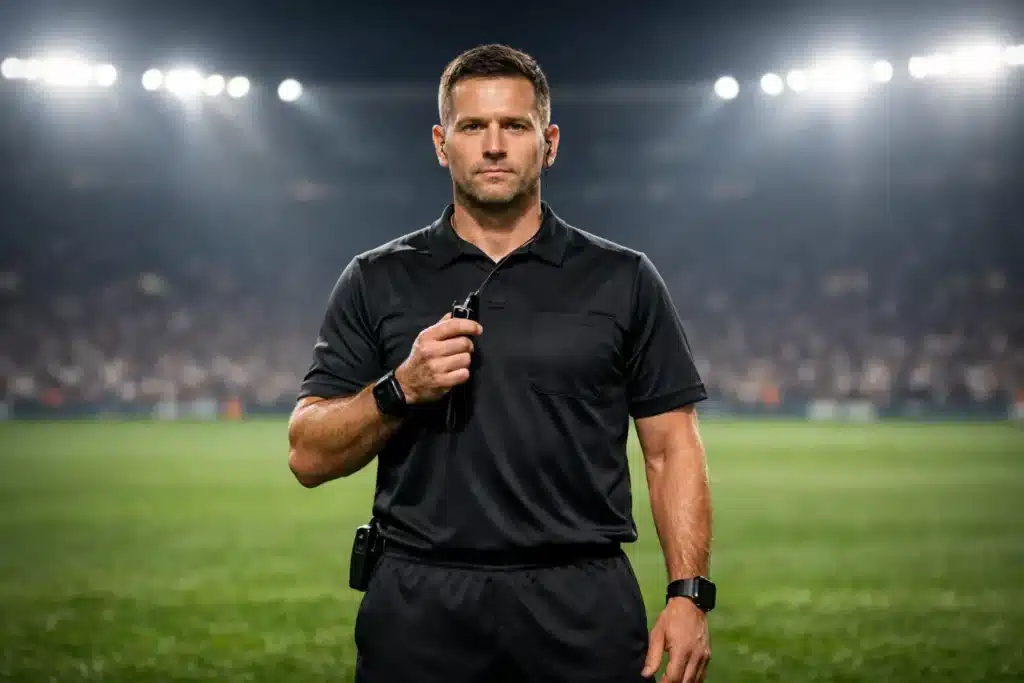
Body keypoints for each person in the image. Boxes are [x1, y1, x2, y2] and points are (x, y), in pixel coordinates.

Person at [288, 43, 715, 683]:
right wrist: (401, 388)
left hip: (581, 601)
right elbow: (307, 455)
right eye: (472, 127)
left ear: (549, 142)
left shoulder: (621, 278)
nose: (494, 145)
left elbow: (671, 448)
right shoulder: (378, 279)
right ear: (441, 142)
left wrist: (689, 594)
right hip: (420, 602)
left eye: (515, 126)